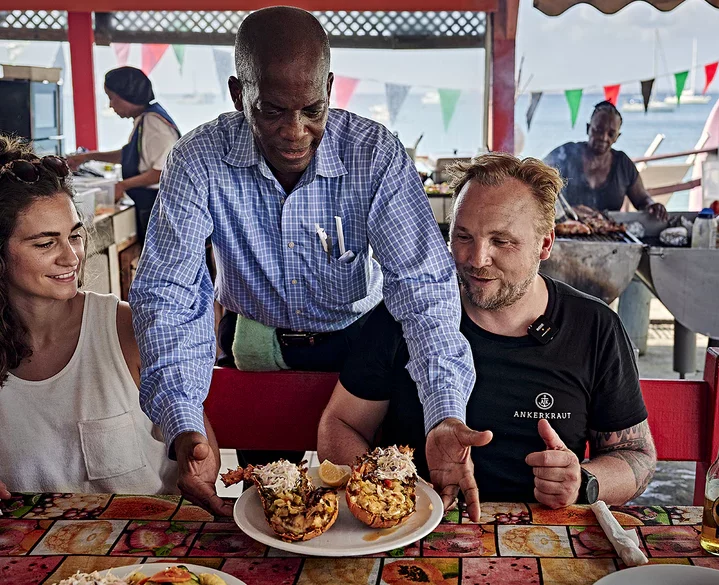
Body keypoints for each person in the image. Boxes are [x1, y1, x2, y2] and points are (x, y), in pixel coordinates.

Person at [129, 7, 478, 518]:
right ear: (237, 94)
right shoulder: (198, 158)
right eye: (271, 111)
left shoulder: (374, 154)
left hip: (361, 349)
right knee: (271, 504)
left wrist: (445, 410)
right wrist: (183, 419)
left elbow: (424, 288)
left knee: (372, 504)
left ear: (331, 88)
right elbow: (170, 293)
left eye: (312, 109)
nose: (295, 131)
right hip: (256, 345)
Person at [318, 153, 657, 510]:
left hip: (545, 537)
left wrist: (584, 482)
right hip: (417, 525)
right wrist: (388, 490)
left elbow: (637, 456)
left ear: (545, 244)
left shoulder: (595, 326)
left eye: (502, 241)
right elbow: (340, 424)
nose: (476, 259)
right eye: (463, 236)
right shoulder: (407, 312)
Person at [0, 135, 213, 499]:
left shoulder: (130, 330)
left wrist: (193, 452)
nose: (71, 258)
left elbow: (199, 444)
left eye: (75, 236)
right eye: (45, 243)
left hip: (148, 547)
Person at [66, 66, 181, 242]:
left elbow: (160, 172)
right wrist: (86, 157)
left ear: (127, 96)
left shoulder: (153, 123)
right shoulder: (145, 118)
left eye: (112, 98)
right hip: (150, 205)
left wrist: (122, 185)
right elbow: (128, 155)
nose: (111, 105)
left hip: (157, 206)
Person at [543, 101, 668, 221]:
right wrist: (565, 210)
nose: (603, 137)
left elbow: (642, 200)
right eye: (598, 130)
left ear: (617, 137)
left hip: (609, 233)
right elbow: (536, 186)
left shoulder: (623, 164)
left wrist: (652, 205)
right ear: (588, 128)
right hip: (566, 230)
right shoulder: (565, 154)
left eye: (611, 134)